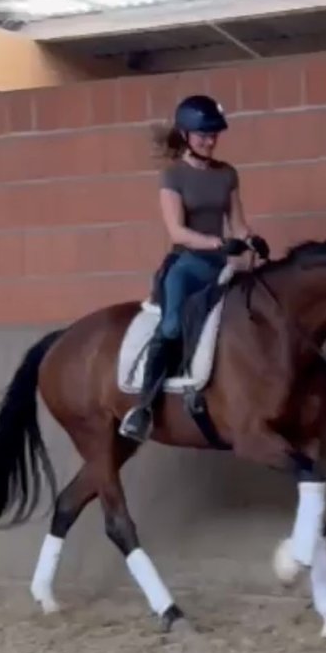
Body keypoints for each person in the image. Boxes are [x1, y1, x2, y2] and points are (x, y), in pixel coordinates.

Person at [119, 94, 270, 442]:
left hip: (222, 266)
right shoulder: (173, 176)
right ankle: (143, 407)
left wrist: (252, 240)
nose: (210, 141)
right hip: (187, 266)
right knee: (172, 326)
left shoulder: (227, 174)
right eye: (203, 135)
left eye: (214, 135)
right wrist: (218, 244)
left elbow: (238, 224)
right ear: (186, 135)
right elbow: (177, 231)